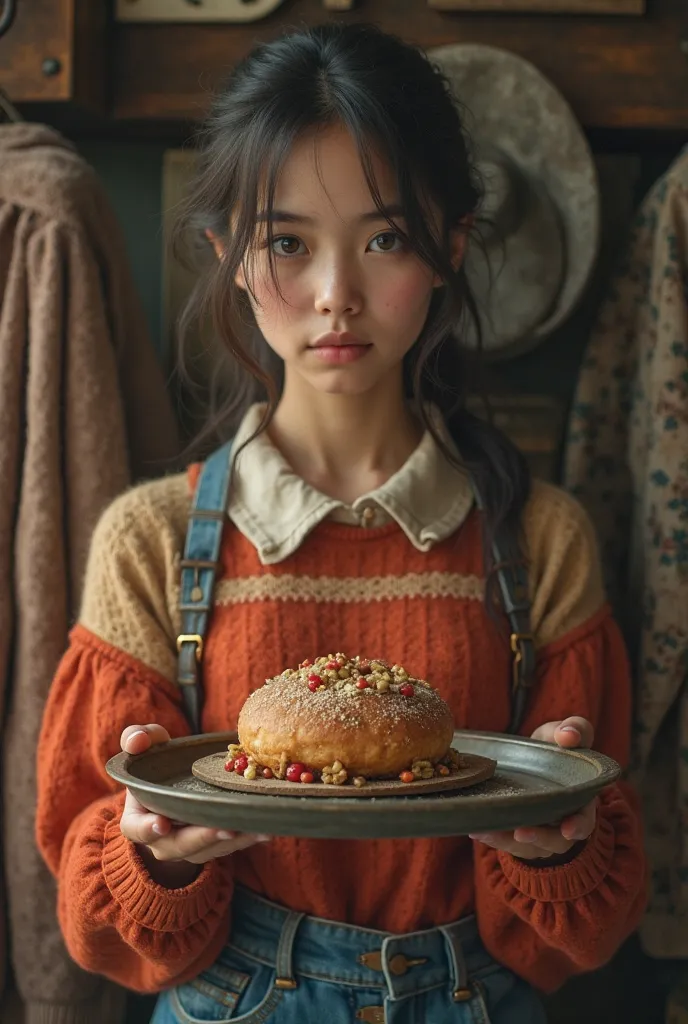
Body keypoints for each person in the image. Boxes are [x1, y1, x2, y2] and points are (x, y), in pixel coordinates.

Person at [36, 22, 646, 1024]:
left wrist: (565, 848)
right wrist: (152, 851)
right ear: (223, 254)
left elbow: (587, 929)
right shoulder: (149, 541)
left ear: (449, 248)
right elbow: (93, 925)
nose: (335, 296)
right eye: (286, 241)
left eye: (384, 238)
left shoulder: (539, 541)